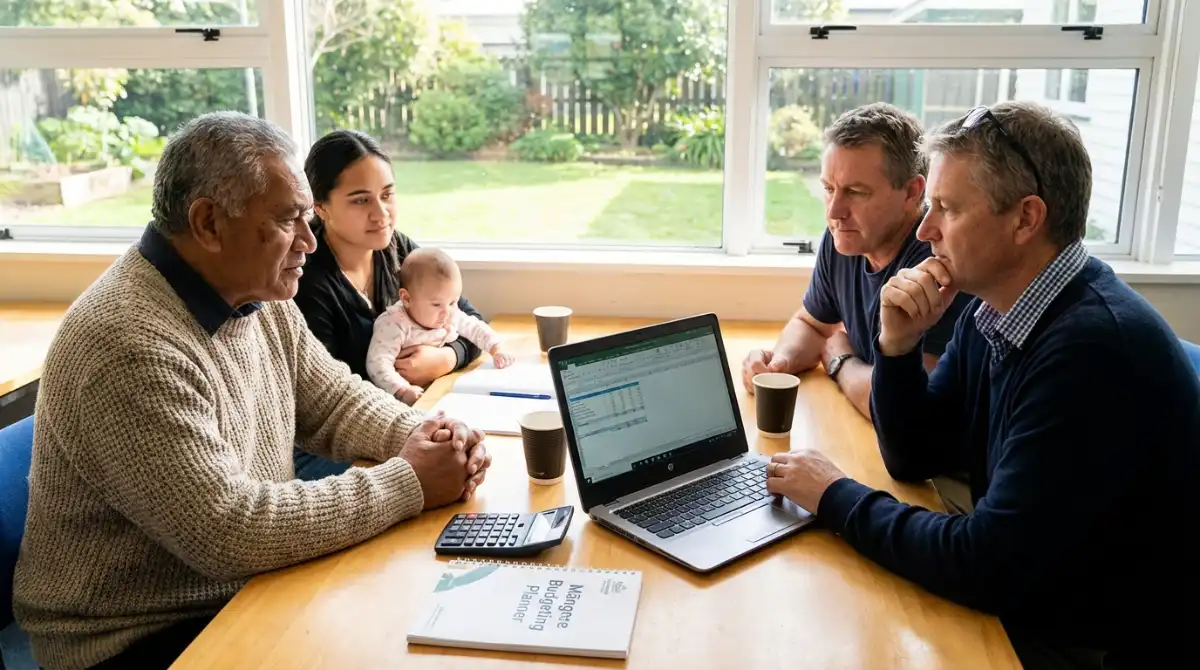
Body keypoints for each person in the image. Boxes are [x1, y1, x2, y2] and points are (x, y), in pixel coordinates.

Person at [12, 112, 492, 670]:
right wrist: (409, 480)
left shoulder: (258, 295)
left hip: (239, 591)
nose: (311, 243)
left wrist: (431, 435)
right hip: (134, 638)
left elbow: (334, 399)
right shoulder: (128, 344)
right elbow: (228, 530)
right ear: (209, 223)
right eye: (291, 220)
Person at [764, 101, 1198, 668]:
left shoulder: (1090, 352)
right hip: (1041, 591)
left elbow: (985, 565)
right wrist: (897, 347)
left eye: (947, 208)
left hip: (1100, 639)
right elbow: (915, 454)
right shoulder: (992, 311)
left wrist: (833, 495)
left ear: (1025, 219)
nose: (926, 229)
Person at [742, 103, 972, 419]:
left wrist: (840, 360)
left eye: (856, 192)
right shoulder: (846, 238)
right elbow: (812, 324)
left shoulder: (939, 262)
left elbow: (904, 409)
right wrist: (777, 363)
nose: (834, 211)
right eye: (828, 189)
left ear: (912, 193)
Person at [292, 129, 489, 480]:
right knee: (455, 461)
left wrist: (443, 359)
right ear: (320, 207)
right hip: (339, 441)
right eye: (360, 200)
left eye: (387, 195)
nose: (381, 213)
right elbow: (329, 402)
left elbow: (470, 319)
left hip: (410, 411)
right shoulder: (306, 282)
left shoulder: (397, 250)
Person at [367, 247, 515, 405]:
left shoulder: (449, 312)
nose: (446, 312)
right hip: (407, 398)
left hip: (444, 387)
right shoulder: (393, 324)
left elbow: (475, 327)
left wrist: (496, 348)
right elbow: (377, 363)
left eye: (453, 302)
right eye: (436, 304)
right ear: (407, 298)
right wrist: (402, 390)